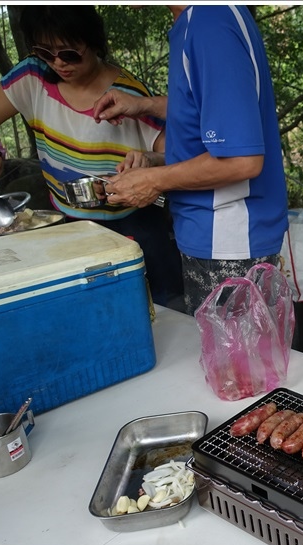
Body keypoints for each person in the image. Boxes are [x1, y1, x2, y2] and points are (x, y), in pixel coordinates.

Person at [0, 5, 184, 308]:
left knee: (166, 312)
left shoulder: (129, 96)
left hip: (135, 229)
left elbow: (173, 156)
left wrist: (146, 165)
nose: (58, 63)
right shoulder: (33, 77)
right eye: (46, 53)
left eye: (70, 54)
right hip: (69, 228)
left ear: (94, 43)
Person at [92, 5, 289, 315]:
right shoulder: (201, 20)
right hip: (214, 237)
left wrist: (153, 181)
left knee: (234, 363)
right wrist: (146, 110)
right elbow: (213, 111)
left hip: (227, 243)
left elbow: (242, 160)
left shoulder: (210, 23)